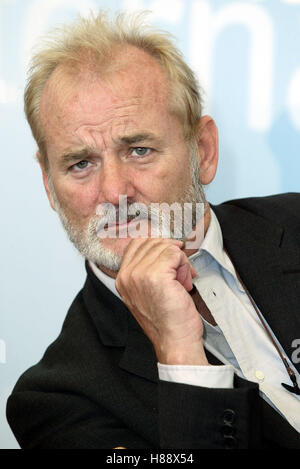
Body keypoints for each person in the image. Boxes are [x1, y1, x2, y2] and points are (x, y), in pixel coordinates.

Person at [6, 10, 300, 449]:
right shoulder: (56, 400)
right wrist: (179, 355)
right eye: (80, 164)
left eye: (138, 150)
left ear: (203, 151)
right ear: (50, 187)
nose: (113, 191)